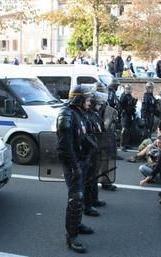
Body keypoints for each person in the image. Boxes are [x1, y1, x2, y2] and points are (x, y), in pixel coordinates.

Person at [56, 85, 96, 253]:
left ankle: (77, 225)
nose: (89, 102)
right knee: (76, 198)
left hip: (82, 160)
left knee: (80, 196)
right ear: (78, 99)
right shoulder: (66, 115)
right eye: (87, 99)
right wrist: (74, 166)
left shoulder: (81, 113)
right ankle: (71, 237)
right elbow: (65, 146)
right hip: (73, 163)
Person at [119, 84, 137, 151]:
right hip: (125, 114)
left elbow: (131, 103)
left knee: (129, 130)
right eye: (127, 89)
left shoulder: (129, 96)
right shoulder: (123, 96)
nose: (128, 90)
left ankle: (126, 144)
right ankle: (122, 145)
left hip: (129, 114)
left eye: (129, 89)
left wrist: (133, 103)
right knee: (124, 130)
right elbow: (121, 106)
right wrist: (126, 109)